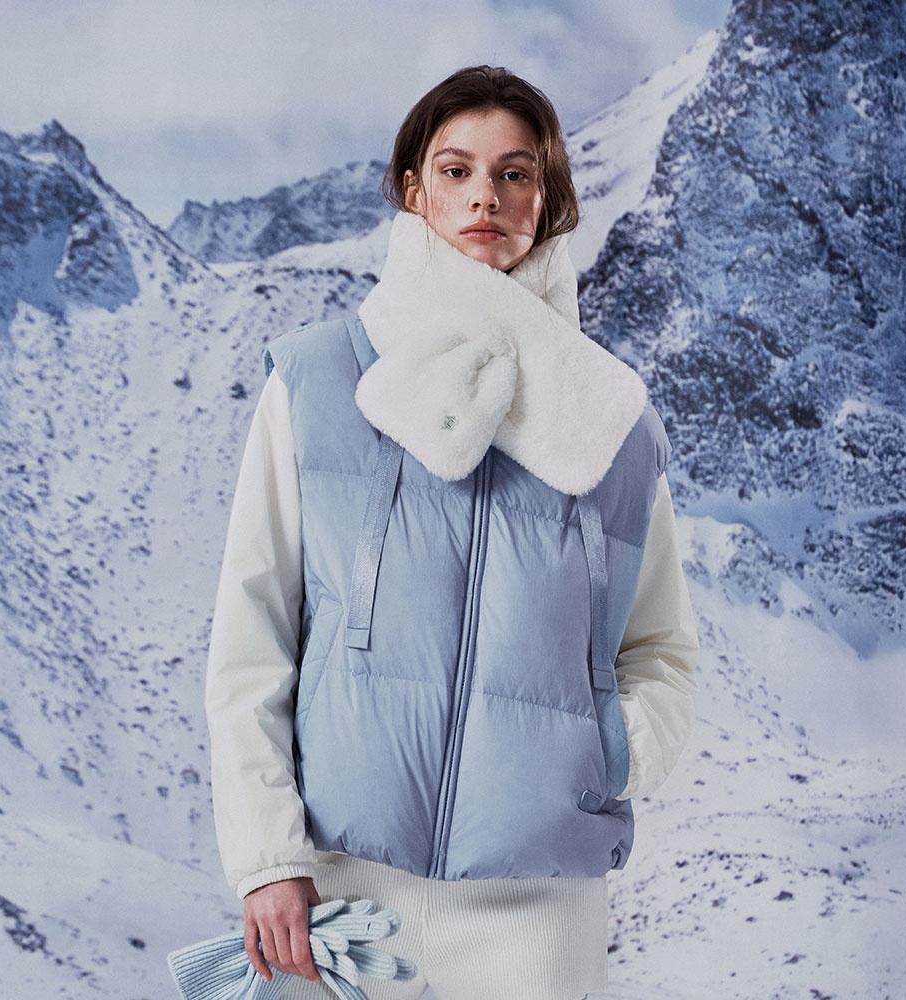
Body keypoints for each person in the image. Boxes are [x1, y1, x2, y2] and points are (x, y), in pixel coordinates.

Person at [204, 64, 700, 1000]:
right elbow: (252, 632)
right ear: (413, 190)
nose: (485, 196)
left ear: (549, 199)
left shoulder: (617, 423)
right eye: (457, 169)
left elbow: (661, 647)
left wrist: (610, 749)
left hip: (540, 900)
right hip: (341, 883)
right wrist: (268, 858)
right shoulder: (316, 380)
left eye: (516, 173)